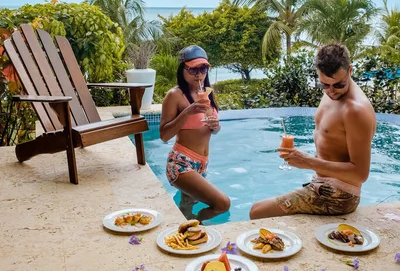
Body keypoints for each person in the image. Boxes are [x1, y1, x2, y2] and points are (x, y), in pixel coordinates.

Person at [250, 43, 376, 219]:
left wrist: (308, 162)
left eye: (339, 84)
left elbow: (361, 174)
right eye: (324, 84)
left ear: (350, 71)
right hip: (322, 182)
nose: (331, 91)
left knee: (257, 211)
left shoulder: (355, 110)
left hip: (339, 194)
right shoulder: (332, 93)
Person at [160, 45, 230, 221]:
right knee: (222, 204)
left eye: (203, 68)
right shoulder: (175, 95)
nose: (198, 74)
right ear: (182, 69)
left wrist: (216, 126)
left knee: (186, 206)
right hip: (181, 163)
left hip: (201, 164)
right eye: (192, 69)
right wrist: (187, 112)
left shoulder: (207, 94)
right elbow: (164, 135)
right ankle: (195, 226)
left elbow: (210, 131)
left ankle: (185, 235)